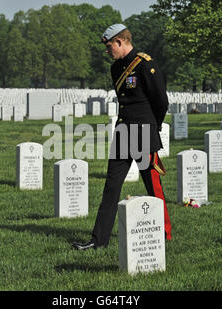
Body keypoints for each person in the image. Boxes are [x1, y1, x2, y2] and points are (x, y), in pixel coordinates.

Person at [72, 24, 172, 250]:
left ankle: (165, 233)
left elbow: (161, 102)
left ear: (120, 41)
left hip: (144, 132)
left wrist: (151, 128)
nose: (108, 52)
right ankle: (98, 241)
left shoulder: (146, 64)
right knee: (111, 186)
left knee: (153, 186)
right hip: (123, 131)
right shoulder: (116, 69)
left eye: (109, 47)